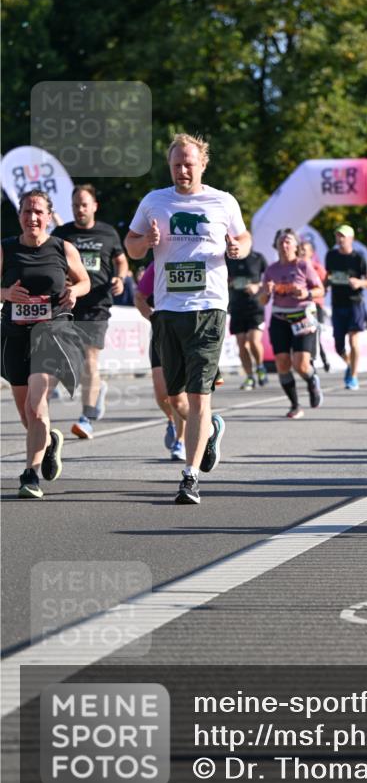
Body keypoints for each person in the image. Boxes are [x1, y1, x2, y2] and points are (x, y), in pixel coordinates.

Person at [124, 133, 251, 505]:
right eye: (177, 164)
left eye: (189, 164)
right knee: (171, 396)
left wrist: (236, 248)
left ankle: (190, 477)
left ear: (202, 164)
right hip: (168, 309)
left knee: (199, 395)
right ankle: (211, 431)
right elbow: (130, 246)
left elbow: (244, 240)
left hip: (209, 307)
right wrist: (144, 241)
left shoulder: (222, 201)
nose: (182, 170)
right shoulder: (154, 202)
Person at [1, 189, 90, 498]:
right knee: (27, 413)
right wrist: (5, 294)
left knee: (36, 406)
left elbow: (84, 280)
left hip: (53, 333)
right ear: (19, 216)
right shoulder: (5, 250)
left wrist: (76, 291)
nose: (33, 217)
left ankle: (30, 474)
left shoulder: (63, 248)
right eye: (27, 212)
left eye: (39, 212)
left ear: (49, 216)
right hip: (15, 335)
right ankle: (49, 442)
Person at [52, 184, 128, 439]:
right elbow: (49, 261)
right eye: (75, 205)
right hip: (67, 304)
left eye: (84, 204)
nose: (79, 209)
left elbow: (121, 260)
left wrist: (120, 277)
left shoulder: (108, 232)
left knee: (90, 361)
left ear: (94, 206)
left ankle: (86, 418)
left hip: (96, 304)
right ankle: (97, 393)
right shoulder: (62, 233)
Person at [258, 228, 324, 419]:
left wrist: (306, 294)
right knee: (282, 363)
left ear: (296, 246)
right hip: (280, 318)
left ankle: (312, 380)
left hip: (303, 317)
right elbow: (263, 301)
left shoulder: (303, 266)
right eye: (281, 242)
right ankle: (295, 405)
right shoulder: (271, 270)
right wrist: (267, 292)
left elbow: (320, 289)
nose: (284, 245)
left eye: (288, 242)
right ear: (276, 246)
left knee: (301, 365)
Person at [134, 261, 188, 461]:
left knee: (178, 393)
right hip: (161, 334)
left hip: (189, 334)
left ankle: (181, 441)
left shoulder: (198, 257)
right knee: (161, 394)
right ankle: (172, 420)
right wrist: (154, 318)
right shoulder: (158, 263)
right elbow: (139, 298)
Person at [324, 224, 367, 390]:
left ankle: (353, 376)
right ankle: (349, 365)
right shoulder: (331, 256)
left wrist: (360, 282)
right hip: (337, 303)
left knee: (353, 340)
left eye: (343, 236)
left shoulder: (358, 258)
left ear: (351, 239)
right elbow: (328, 276)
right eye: (338, 236)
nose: (340, 239)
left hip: (354, 302)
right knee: (338, 345)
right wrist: (324, 285)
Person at [226, 243, 269, 389]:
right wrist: (227, 282)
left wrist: (258, 286)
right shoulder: (228, 258)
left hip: (255, 306)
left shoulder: (258, 258)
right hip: (237, 307)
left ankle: (260, 366)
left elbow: (269, 279)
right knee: (241, 343)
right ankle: (250, 377)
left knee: (253, 339)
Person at [298, 239, 330, 373]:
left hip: (316, 306)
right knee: (306, 334)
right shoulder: (296, 267)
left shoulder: (318, 268)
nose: (303, 252)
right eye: (301, 250)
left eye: (306, 250)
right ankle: (319, 358)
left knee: (315, 333)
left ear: (311, 253)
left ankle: (315, 360)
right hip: (301, 307)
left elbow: (325, 286)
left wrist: (314, 294)